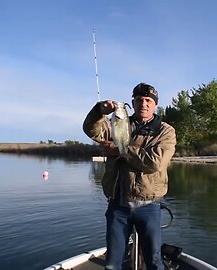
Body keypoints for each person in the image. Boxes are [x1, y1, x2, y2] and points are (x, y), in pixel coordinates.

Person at [83, 83, 176, 270]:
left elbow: (155, 162)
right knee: (112, 263)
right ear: (132, 102)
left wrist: (121, 150)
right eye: (139, 100)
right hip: (118, 204)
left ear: (155, 105)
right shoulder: (118, 122)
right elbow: (91, 130)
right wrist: (99, 111)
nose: (144, 104)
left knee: (154, 262)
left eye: (149, 101)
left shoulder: (165, 131)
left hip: (149, 205)